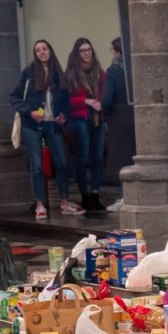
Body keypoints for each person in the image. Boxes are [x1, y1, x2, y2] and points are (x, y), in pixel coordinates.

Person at [10, 39, 82, 219]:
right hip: (32, 124)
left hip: (53, 123)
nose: (42, 52)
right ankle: (40, 204)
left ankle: (65, 202)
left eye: (45, 49)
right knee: (36, 165)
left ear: (50, 51)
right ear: (35, 54)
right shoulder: (28, 73)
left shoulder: (58, 74)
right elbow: (15, 98)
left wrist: (63, 115)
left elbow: (65, 101)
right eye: (38, 50)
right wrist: (30, 112)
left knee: (62, 162)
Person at [64, 37, 106, 211]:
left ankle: (95, 193)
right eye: (83, 51)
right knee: (82, 157)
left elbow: (105, 92)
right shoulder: (71, 74)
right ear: (77, 53)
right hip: (80, 118)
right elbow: (67, 100)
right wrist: (86, 101)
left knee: (97, 157)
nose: (86, 53)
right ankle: (84, 195)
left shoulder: (100, 72)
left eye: (89, 50)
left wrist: (100, 102)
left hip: (98, 118)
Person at [101, 37, 135, 209]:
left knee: (122, 159)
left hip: (118, 119)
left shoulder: (114, 70)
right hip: (135, 116)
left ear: (116, 51)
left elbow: (107, 99)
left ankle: (124, 197)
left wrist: (103, 112)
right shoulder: (134, 67)